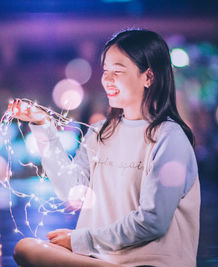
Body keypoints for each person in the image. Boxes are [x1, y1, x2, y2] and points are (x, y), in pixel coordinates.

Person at [11, 29, 200, 267]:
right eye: (106, 71)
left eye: (118, 71)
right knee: (26, 248)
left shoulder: (170, 137)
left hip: (152, 263)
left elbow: (153, 221)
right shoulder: (100, 132)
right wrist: (43, 126)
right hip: (99, 258)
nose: (107, 80)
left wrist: (80, 240)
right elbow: (71, 190)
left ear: (148, 77)